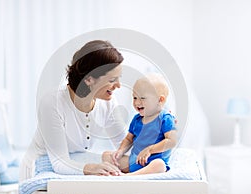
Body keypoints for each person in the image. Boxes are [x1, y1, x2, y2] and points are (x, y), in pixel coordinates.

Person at [19, 40, 127, 181]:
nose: (118, 86)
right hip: (40, 174)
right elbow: (59, 162)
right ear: (89, 79)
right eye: (112, 80)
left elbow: (125, 147)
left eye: (119, 78)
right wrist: (92, 167)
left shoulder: (109, 103)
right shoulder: (53, 102)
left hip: (74, 173)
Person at [102, 73, 177, 175]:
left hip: (153, 162)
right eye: (135, 98)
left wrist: (150, 150)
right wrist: (120, 151)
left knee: (159, 165)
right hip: (135, 161)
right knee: (106, 156)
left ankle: (131, 176)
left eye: (142, 98)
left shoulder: (165, 118)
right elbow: (129, 139)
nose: (137, 102)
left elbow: (171, 141)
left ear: (160, 100)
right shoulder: (137, 119)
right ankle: (120, 172)